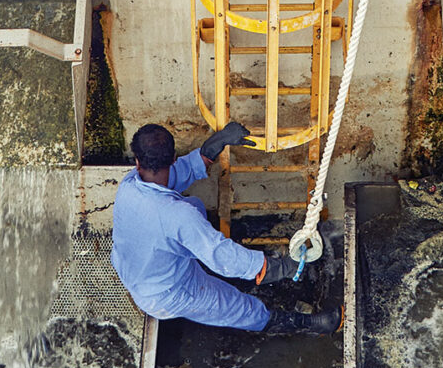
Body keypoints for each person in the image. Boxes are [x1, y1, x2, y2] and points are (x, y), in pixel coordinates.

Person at [110, 121, 338, 336]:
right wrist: (277, 268)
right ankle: (309, 325)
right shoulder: (178, 216)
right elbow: (222, 256)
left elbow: (173, 176)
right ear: (172, 158)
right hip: (166, 293)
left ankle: (205, 264)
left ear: (138, 162)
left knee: (195, 206)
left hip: (140, 272)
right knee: (239, 308)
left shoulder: (128, 186)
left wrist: (215, 144)